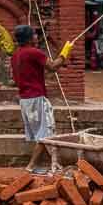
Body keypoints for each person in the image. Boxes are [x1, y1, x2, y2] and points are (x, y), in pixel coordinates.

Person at [11, 25, 72, 173]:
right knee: (45, 134)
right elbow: (52, 67)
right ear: (29, 38)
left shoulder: (15, 55)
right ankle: (31, 166)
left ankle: (49, 164)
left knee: (41, 133)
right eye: (34, 34)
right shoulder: (34, 52)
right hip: (36, 97)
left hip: (25, 99)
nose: (37, 37)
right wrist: (65, 53)